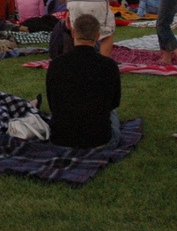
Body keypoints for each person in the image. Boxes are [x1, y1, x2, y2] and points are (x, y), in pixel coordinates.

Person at [46, 14, 122, 149]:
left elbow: (53, 103)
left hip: (60, 139)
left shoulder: (57, 64)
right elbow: (114, 103)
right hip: (100, 140)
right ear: (98, 36)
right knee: (113, 114)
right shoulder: (109, 65)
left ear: (74, 32)